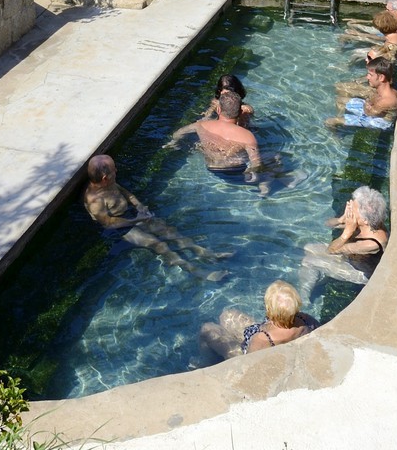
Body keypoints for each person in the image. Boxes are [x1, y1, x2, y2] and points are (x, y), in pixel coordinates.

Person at [82, 154, 228, 279]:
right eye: (114, 170)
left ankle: (206, 253)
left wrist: (140, 207)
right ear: (105, 178)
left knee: (169, 231)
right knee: (158, 244)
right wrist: (138, 219)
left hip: (131, 215)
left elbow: (127, 194)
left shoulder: (110, 183)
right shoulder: (95, 200)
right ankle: (197, 271)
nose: (117, 171)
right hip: (119, 228)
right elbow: (109, 223)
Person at [299, 187, 388, 299]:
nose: (350, 209)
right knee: (309, 248)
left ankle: (304, 297)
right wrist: (341, 219)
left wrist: (347, 232)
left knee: (308, 261)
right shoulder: (367, 222)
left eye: (353, 208)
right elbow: (328, 224)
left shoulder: (371, 244)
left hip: (360, 273)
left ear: (365, 220)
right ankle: (323, 276)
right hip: (351, 258)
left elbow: (331, 250)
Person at [199, 280, 315, 360]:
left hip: (248, 351)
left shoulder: (262, 339)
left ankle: (205, 363)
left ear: (268, 309)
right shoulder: (305, 319)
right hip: (265, 338)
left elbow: (250, 362)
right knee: (227, 315)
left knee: (207, 329)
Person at [170, 88, 263, 178]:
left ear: (218, 110)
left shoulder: (201, 125)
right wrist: (252, 173)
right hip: (236, 169)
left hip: (212, 167)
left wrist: (174, 143)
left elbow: (178, 133)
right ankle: (264, 186)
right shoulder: (247, 136)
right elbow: (256, 163)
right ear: (240, 112)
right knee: (275, 157)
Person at [329, 57, 397, 131]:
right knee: (340, 100)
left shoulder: (387, 100)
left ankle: (338, 132)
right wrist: (368, 103)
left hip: (378, 122)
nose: (367, 77)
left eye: (370, 75)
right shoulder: (384, 91)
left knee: (329, 122)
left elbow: (369, 113)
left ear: (381, 77)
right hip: (373, 111)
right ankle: (342, 120)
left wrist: (367, 104)